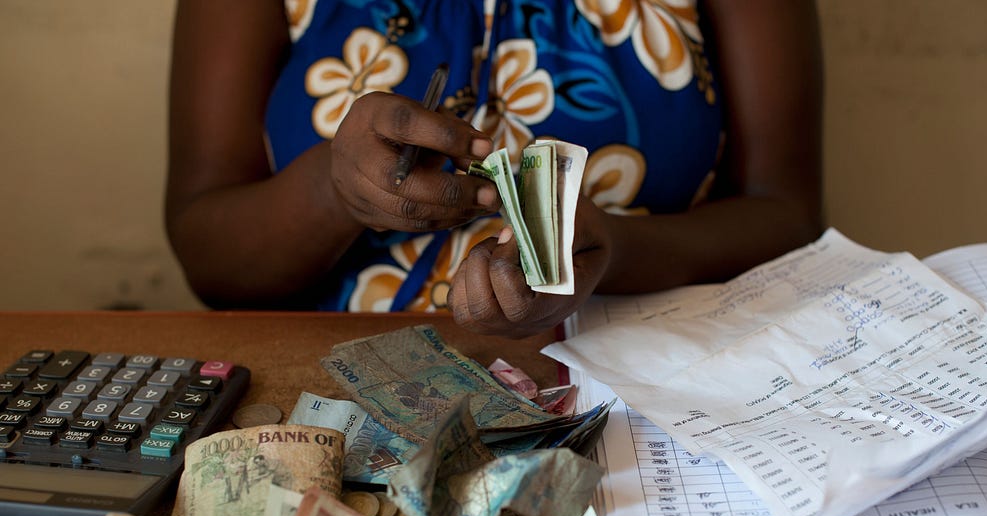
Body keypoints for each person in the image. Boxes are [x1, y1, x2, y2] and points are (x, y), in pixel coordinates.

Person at [165, 0, 823, 339]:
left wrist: (619, 252)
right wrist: (333, 191)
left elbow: (787, 212)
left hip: (645, 384)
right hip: (334, 389)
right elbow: (208, 249)